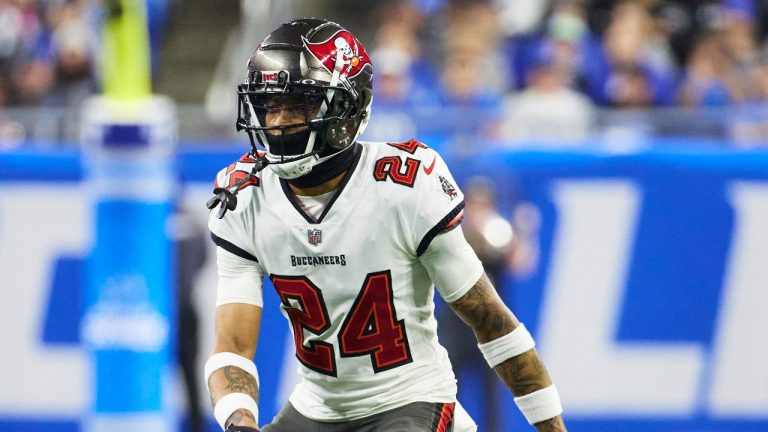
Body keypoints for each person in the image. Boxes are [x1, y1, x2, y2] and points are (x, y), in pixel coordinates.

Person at [204, 18, 566, 432]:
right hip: (317, 407)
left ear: (346, 109)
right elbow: (232, 347)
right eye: (269, 105)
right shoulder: (245, 195)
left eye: (298, 105)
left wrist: (552, 428)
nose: (277, 122)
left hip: (409, 399)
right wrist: (240, 425)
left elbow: (491, 321)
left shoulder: (404, 185)